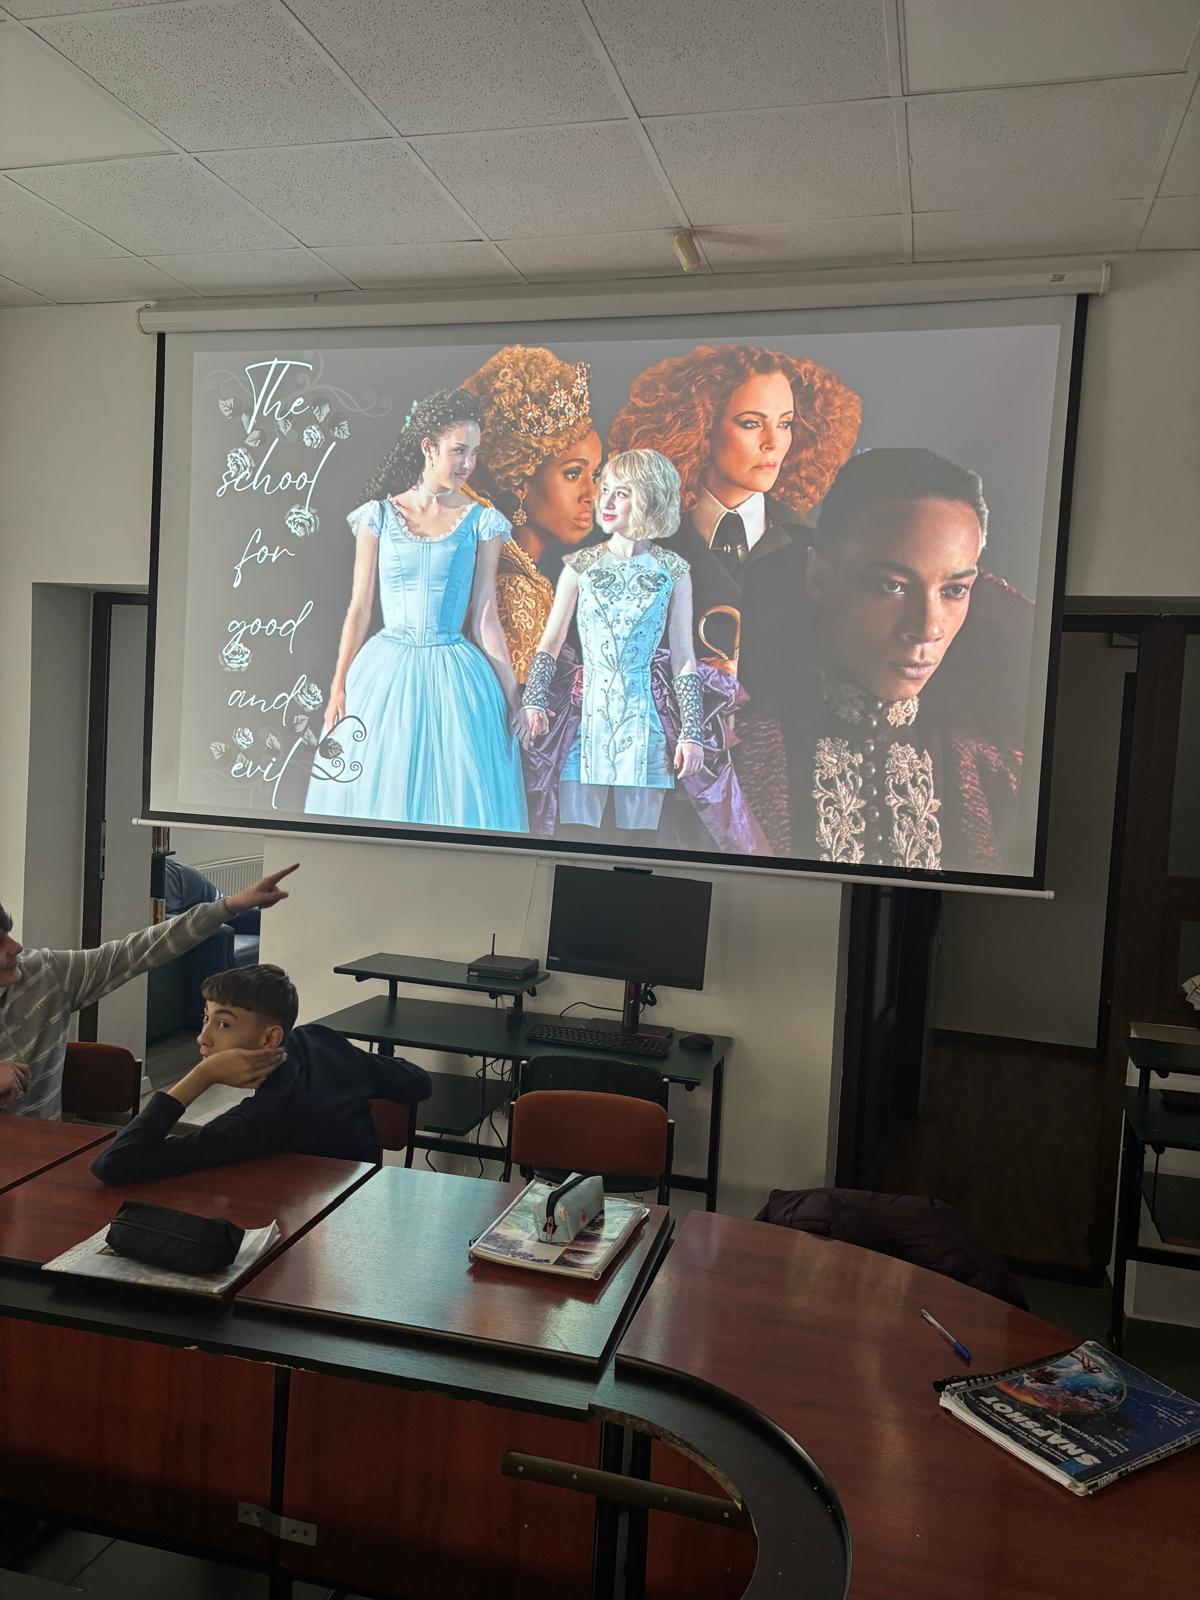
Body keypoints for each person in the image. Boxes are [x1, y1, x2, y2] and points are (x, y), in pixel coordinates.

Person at [737, 447, 1033, 873]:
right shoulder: (738, 740)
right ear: (819, 576)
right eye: (893, 586)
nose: (927, 628)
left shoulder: (992, 754)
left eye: (954, 590)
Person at [517, 450, 766, 854]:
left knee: (637, 847)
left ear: (649, 498)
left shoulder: (674, 571)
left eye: (622, 493)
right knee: (576, 842)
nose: (606, 501)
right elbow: (551, 641)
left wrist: (691, 732)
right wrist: (533, 699)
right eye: (606, 491)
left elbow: (683, 656)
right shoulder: (579, 566)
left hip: (644, 721)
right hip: (586, 720)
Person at [304, 388, 527, 833]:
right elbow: (359, 608)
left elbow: (485, 616)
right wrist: (338, 687)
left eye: (474, 452)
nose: (468, 463)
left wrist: (513, 695)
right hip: (384, 672)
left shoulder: (482, 522)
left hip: (456, 677)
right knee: (381, 789)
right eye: (459, 450)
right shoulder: (378, 516)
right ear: (429, 447)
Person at [606, 344, 861, 664]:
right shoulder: (635, 545)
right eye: (751, 423)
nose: (772, 442)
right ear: (701, 427)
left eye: (784, 424)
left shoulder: (816, 548)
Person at [0, 864, 297, 1120]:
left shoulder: (45, 974)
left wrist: (229, 906)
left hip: (42, 1153)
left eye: (9, 935)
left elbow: (139, 950)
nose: (16, 947)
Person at [91, 964, 431, 1184]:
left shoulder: (259, 1122)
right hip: (354, 1205)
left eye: (223, 1024)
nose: (202, 1037)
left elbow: (114, 1164)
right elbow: (418, 1081)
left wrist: (201, 1076)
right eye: (206, 1018)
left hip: (317, 1235)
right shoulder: (317, 1039)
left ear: (270, 1039)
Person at [460, 346, 602, 682]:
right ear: (521, 482)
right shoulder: (513, 589)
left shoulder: (519, 573)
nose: (591, 494)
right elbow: (522, 711)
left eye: (594, 475)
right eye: (573, 473)